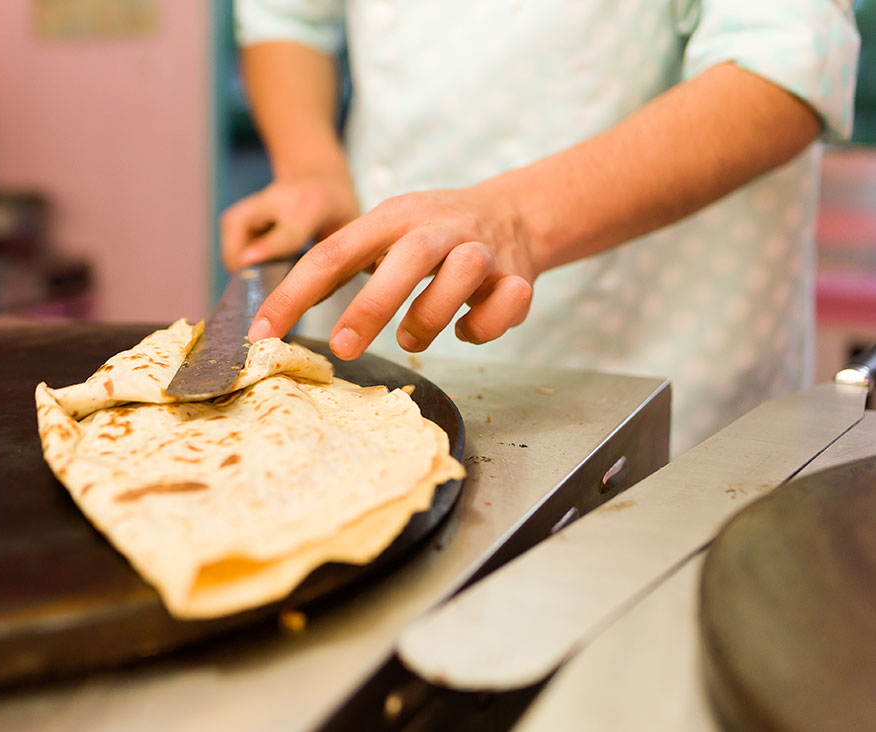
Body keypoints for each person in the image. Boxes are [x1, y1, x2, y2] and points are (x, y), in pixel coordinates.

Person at [222, 1, 861, 455]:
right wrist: (312, 163)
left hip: (653, 350)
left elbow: (787, 64)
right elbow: (288, 17)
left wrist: (514, 222)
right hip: (377, 324)